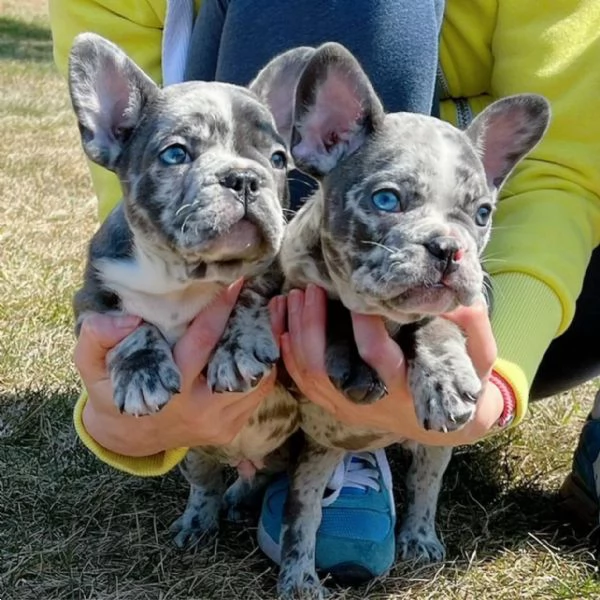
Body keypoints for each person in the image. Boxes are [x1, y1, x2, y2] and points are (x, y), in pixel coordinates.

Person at [48, 0, 600, 585]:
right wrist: (117, 404)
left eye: (272, 155)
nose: (244, 175)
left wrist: (502, 372)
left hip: (536, 289)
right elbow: (133, 209)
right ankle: (298, 415)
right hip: (308, 264)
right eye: (181, 154)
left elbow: (564, 167)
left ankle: (355, 435)